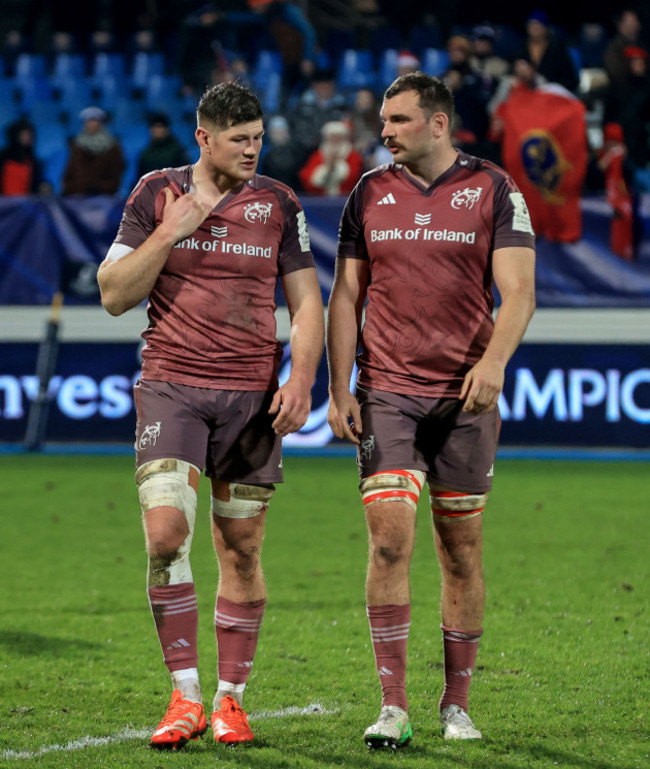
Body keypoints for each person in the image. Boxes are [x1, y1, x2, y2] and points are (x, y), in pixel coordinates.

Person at [96, 81, 324, 750]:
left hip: (252, 396)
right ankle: (184, 695)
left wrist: (303, 377)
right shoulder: (155, 193)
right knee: (166, 533)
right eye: (239, 139)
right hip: (172, 385)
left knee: (242, 547)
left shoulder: (279, 203)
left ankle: (231, 700)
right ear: (203, 138)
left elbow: (308, 304)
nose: (253, 149)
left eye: (258, 138)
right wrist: (170, 230)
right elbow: (113, 293)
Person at [326, 71, 536, 749]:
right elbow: (344, 297)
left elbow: (520, 292)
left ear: (438, 123)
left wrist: (494, 361)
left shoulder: (495, 190)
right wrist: (338, 386)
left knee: (461, 549)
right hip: (387, 390)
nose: (383, 131)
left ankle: (457, 703)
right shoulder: (368, 192)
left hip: (465, 396)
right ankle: (392, 704)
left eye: (397, 120)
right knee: (389, 535)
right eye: (383, 120)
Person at [62, 106, 125, 195]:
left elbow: (116, 176)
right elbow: (70, 174)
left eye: (94, 120)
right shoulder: (77, 147)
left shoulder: (112, 147)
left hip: (104, 198)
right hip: (79, 198)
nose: (92, 124)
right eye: (89, 121)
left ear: (101, 123)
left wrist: (100, 187)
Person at [298, 120, 364, 196]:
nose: (333, 141)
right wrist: (327, 167)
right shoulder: (318, 155)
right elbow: (307, 179)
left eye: (337, 138)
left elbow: (355, 178)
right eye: (331, 138)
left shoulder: (353, 156)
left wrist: (338, 165)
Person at [0, 117, 49, 195]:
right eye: (24, 135)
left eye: (30, 135)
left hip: (26, 204)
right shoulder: (2, 157)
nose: (28, 138)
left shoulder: (34, 162)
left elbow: (37, 185)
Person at [136, 112, 191, 180]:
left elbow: (186, 176)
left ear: (166, 129)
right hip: (152, 189)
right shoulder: (145, 154)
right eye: (154, 127)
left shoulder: (178, 151)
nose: (156, 131)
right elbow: (140, 179)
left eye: (159, 127)